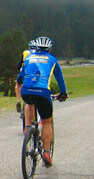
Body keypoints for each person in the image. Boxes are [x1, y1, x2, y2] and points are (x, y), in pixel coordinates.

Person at [16, 36, 68, 166]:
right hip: (43, 93)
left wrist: (20, 83)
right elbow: (60, 78)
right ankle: (46, 152)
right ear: (50, 49)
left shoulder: (28, 58)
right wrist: (63, 93)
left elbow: (20, 76)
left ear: (36, 48)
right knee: (46, 121)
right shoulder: (52, 59)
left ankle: (27, 128)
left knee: (29, 103)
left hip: (26, 91)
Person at [15, 39, 37, 115]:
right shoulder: (39, 54)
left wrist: (19, 69)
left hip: (24, 73)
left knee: (18, 85)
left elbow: (19, 65)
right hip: (36, 75)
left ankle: (18, 100)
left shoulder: (25, 52)